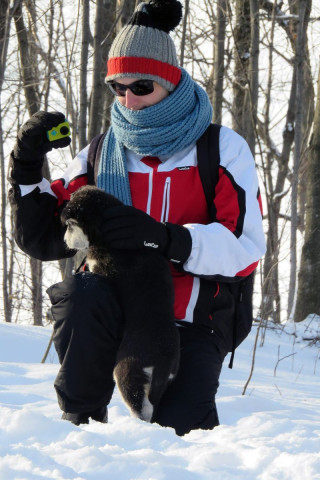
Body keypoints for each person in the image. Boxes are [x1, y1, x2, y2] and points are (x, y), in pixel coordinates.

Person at [8, 0, 266, 436]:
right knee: (82, 292)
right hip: (110, 304)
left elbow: (245, 248)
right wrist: (26, 170)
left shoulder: (221, 150)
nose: (128, 98)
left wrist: (166, 239)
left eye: (141, 85)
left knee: (181, 431)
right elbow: (46, 239)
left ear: (171, 81)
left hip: (193, 313)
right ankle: (79, 429)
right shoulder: (100, 152)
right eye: (117, 87)